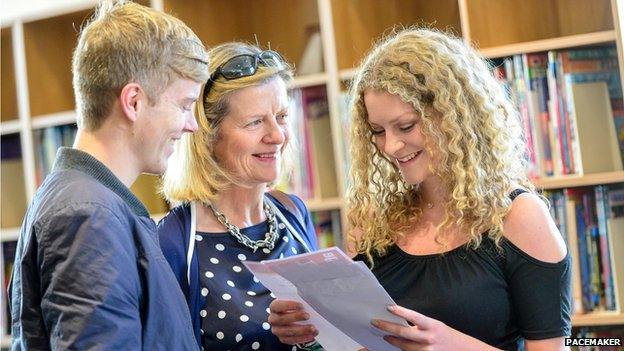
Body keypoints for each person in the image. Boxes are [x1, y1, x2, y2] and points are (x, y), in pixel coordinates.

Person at [268, 28, 571, 351]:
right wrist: (310, 330)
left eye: (406, 126)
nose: (391, 146)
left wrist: (449, 344)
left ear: (454, 116)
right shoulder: (373, 221)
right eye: (377, 131)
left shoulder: (517, 216)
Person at [8, 1, 209, 350]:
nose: (191, 124)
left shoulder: (86, 203)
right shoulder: (88, 216)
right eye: (183, 105)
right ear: (133, 102)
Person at [157, 42, 320, 350]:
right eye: (255, 121)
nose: (278, 135)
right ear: (208, 135)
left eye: (282, 116)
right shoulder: (173, 243)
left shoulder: (294, 212)